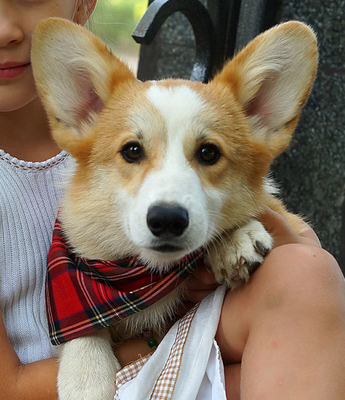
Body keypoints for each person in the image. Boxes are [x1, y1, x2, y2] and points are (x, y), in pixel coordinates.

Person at [0, 0, 345, 398]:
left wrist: (248, 238)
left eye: (207, 153)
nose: (5, 28)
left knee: (305, 273)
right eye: (133, 152)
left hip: (207, 356)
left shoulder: (104, 128)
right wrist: (109, 340)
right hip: (66, 380)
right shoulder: (94, 137)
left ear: (83, 5)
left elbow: (302, 262)